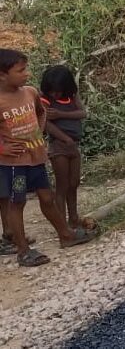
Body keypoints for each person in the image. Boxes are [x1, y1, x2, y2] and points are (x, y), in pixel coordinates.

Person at [0, 49, 98, 266]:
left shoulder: (30, 92)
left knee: (47, 197)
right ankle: (23, 250)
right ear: (2, 75)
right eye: (21, 70)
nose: (27, 73)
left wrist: (39, 132)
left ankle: (66, 235)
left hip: (36, 160)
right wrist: (3, 149)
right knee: (18, 202)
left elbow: (41, 113)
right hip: (15, 165)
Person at [39, 65, 86, 229]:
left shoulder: (72, 95)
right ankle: (62, 226)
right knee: (62, 185)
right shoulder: (44, 99)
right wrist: (65, 138)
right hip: (58, 146)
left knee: (74, 183)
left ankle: (73, 217)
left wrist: (61, 114)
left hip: (74, 144)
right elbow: (45, 123)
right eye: (51, 91)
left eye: (57, 91)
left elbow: (82, 113)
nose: (54, 94)